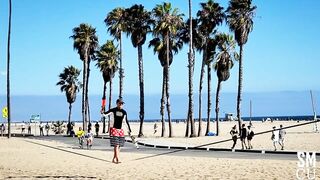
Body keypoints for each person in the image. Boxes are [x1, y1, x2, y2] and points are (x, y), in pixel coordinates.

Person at [101, 98, 132, 164]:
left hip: (120, 130)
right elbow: (104, 114)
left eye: (122, 103)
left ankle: (114, 158)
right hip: (113, 129)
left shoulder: (124, 112)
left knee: (119, 145)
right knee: (116, 145)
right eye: (120, 103)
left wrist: (129, 130)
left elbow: (126, 121)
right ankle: (118, 158)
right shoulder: (113, 110)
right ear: (117, 103)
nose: (121, 104)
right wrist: (102, 111)